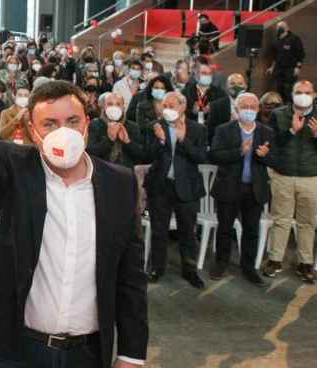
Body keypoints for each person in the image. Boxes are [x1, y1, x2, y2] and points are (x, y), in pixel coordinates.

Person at [0, 39, 147, 368]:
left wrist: (131, 354)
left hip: (87, 352)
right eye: (50, 124)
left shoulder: (120, 183)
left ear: (87, 124)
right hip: (18, 348)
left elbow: (130, 277)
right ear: (33, 131)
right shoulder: (14, 167)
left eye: (73, 121)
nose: (65, 132)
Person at [263, 80, 317, 283]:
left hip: (311, 177)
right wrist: (292, 131)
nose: (302, 95)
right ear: (292, 94)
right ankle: (275, 259)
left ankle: (305, 263)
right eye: (298, 92)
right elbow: (273, 145)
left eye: (306, 92)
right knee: (281, 219)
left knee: (307, 222)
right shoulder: (279, 114)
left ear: (314, 95)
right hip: (283, 175)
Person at [208, 92, 277, 285]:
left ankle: (248, 268)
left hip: (254, 189)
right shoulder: (224, 130)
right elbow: (214, 155)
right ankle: (221, 263)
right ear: (237, 109)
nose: (248, 110)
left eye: (252, 107)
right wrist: (239, 151)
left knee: (251, 231)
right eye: (244, 107)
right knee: (224, 229)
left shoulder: (267, 132)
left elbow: (277, 161)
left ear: (258, 109)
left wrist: (265, 156)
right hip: (229, 187)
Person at [144, 91, 208, 288]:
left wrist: (183, 140)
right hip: (160, 186)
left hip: (187, 188)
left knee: (188, 232)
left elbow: (201, 157)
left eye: (172, 106)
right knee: (159, 230)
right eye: (165, 106)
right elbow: (146, 155)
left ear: (183, 107)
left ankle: (190, 271)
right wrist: (161, 141)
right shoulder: (154, 127)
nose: (168, 110)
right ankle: (157, 268)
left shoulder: (197, 129)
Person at [87, 92, 148, 171]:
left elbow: (141, 155)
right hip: (101, 172)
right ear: (103, 107)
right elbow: (90, 153)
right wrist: (109, 139)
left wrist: (127, 142)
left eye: (118, 104)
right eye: (110, 104)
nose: (114, 107)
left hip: (126, 173)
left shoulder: (132, 126)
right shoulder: (95, 124)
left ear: (123, 107)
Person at [266, 21, 304, 103]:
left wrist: (298, 67)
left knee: (289, 89)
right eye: (278, 27)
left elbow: (300, 54)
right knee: (279, 87)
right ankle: (282, 105)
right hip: (278, 68)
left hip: (290, 68)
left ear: (287, 28)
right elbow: (275, 56)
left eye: (282, 27)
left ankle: (290, 105)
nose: (279, 29)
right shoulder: (276, 40)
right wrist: (272, 67)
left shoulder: (294, 38)